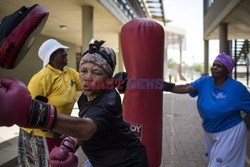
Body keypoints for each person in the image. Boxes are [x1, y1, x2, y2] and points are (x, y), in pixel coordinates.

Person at [163, 52, 250, 167]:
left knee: (217, 164)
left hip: (230, 131)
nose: (214, 67)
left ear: (227, 71)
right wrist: (165, 86)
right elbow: (186, 88)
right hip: (209, 129)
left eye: (219, 66)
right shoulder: (204, 81)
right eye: (214, 64)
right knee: (213, 161)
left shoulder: (237, 89)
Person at [18, 39, 82, 166]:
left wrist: (110, 82)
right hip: (40, 134)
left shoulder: (69, 72)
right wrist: (51, 126)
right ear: (51, 56)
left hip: (60, 129)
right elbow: (30, 108)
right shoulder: (41, 77)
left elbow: (88, 85)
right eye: (60, 51)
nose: (65, 53)